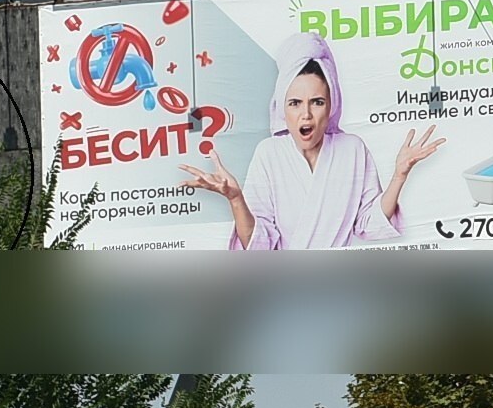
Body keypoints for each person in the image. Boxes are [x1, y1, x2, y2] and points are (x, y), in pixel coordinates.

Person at [178, 32, 443, 249]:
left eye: (317, 102)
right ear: (282, 108)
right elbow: (259, 244)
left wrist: (399, 175)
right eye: (294, 103)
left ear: (331, 105)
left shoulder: (352, 149)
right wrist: (236, 199)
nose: (306, 115)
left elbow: (368, 224)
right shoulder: (269, 153)